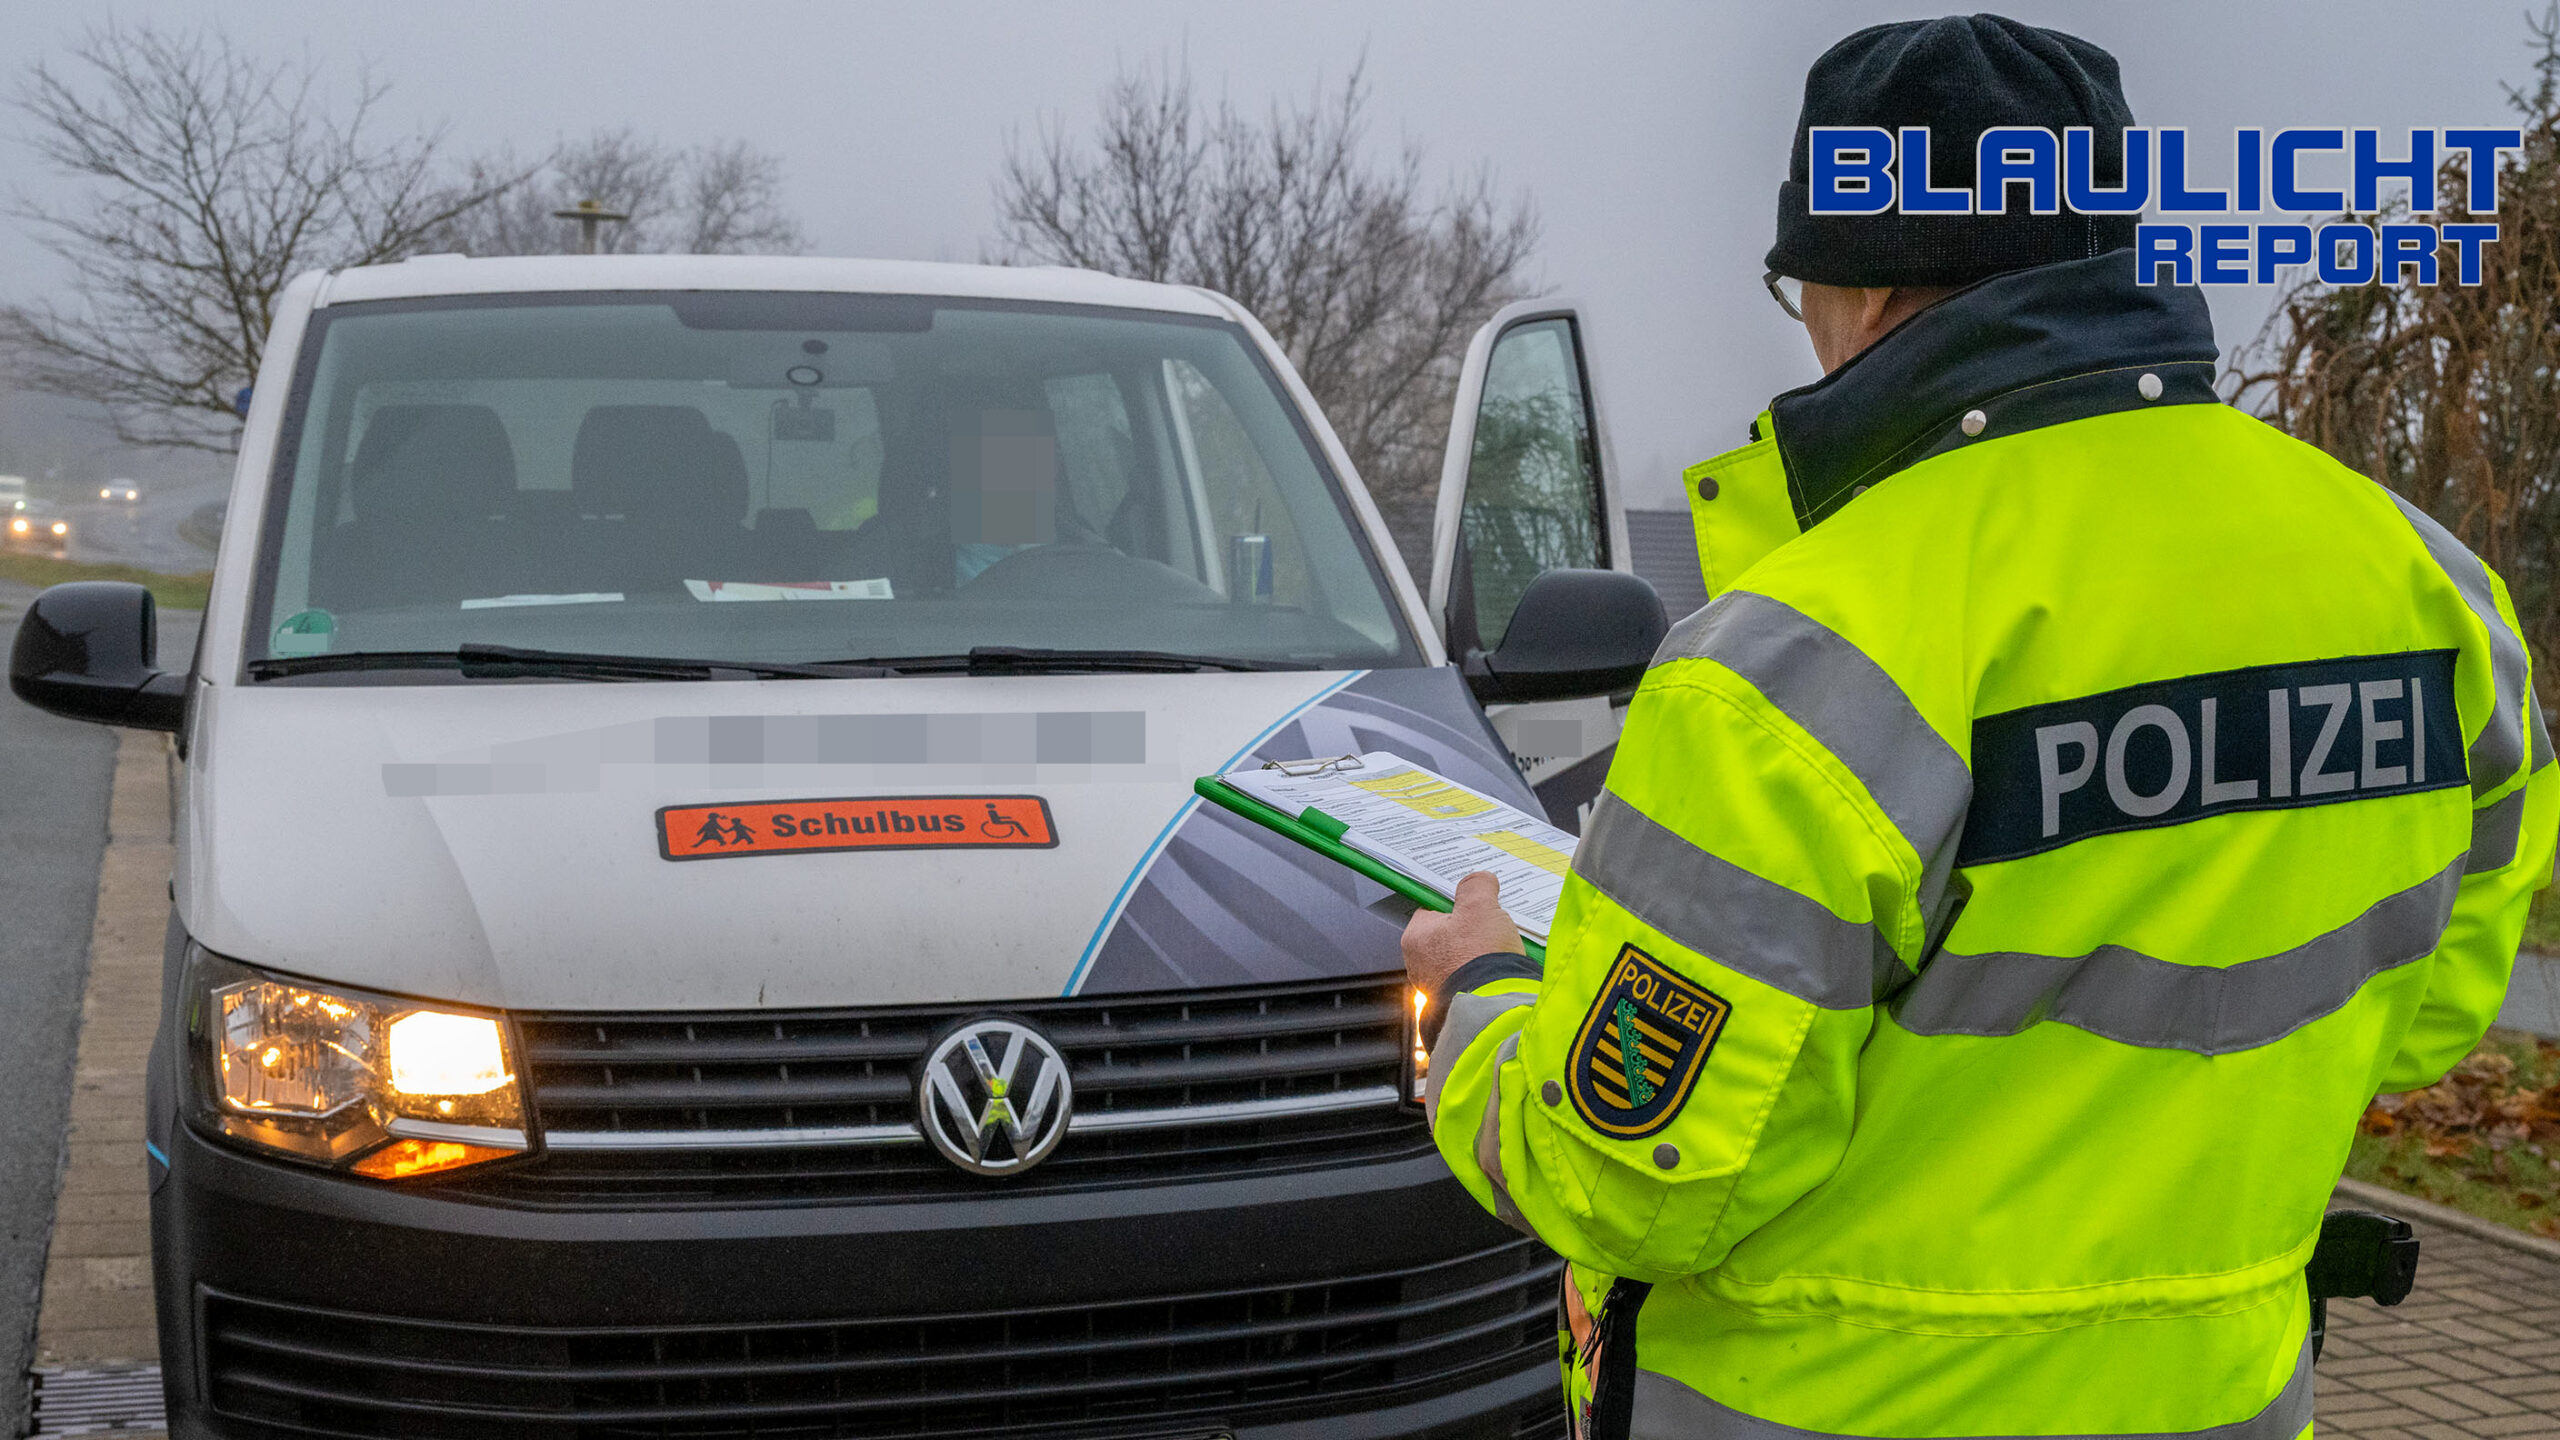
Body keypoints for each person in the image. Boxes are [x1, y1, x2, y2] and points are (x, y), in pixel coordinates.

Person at [1403, 15, 2557, 1440]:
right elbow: (2427, 1007)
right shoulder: (2429, 589)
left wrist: (1478, 1007)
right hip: (2229, 1402)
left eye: (1801, 290)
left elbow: (1627, 1182)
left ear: (1867, 286)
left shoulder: (1792, 668)